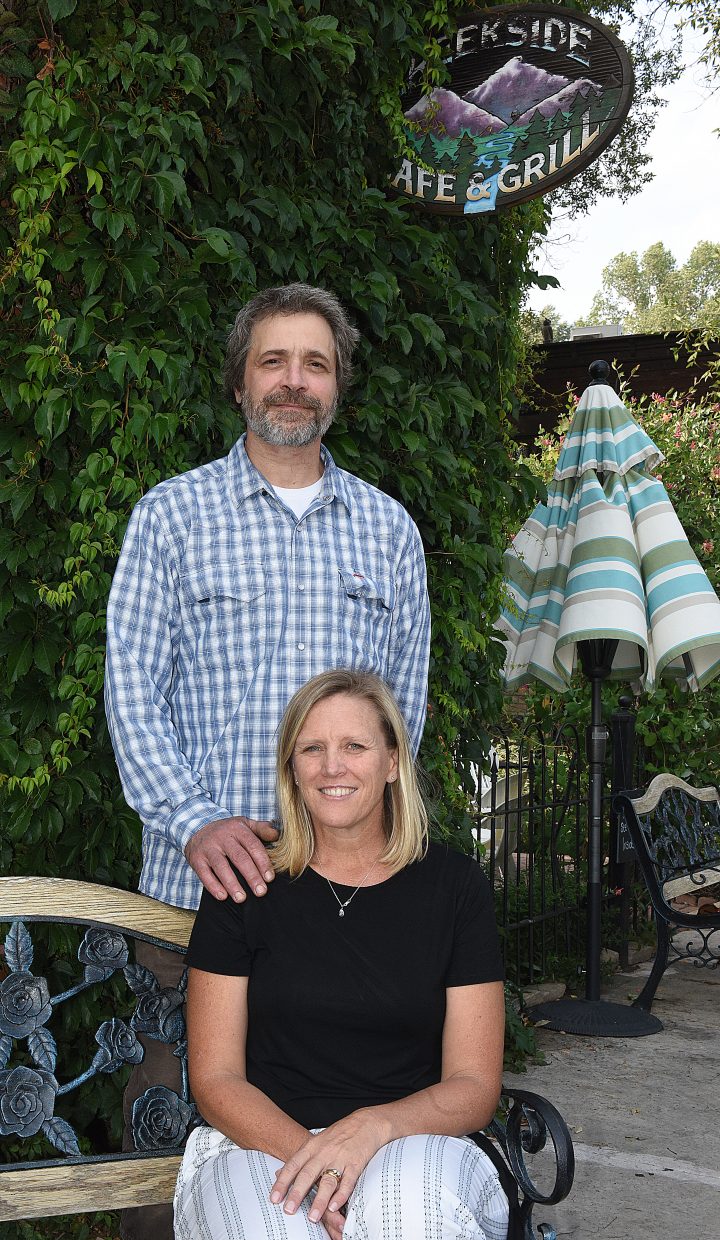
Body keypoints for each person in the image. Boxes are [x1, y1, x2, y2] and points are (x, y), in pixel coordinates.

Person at [104, 283, 431, 1239]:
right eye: (273, 361)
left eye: (315, 363)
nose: (294, 381)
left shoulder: (389, 532)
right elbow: (132, 690)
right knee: (164, 1133)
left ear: (338, 385)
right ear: (241, 380)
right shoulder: (172, 517)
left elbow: (400, 719)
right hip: (190, 896)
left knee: (339, 1122)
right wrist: (195, 820)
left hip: (342, 904)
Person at [174, 669, 508, 1240]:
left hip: (408, 1139)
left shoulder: (454, 887)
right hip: (263, 1142)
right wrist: (319, 1163)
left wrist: (370, 1129)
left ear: (393, 761)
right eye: (313, 748)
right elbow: (216, 1078)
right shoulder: (245, 881)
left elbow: (474, 1084)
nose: (332, 766)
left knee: (412, 1217)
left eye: (355, 746)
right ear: (292, 767)